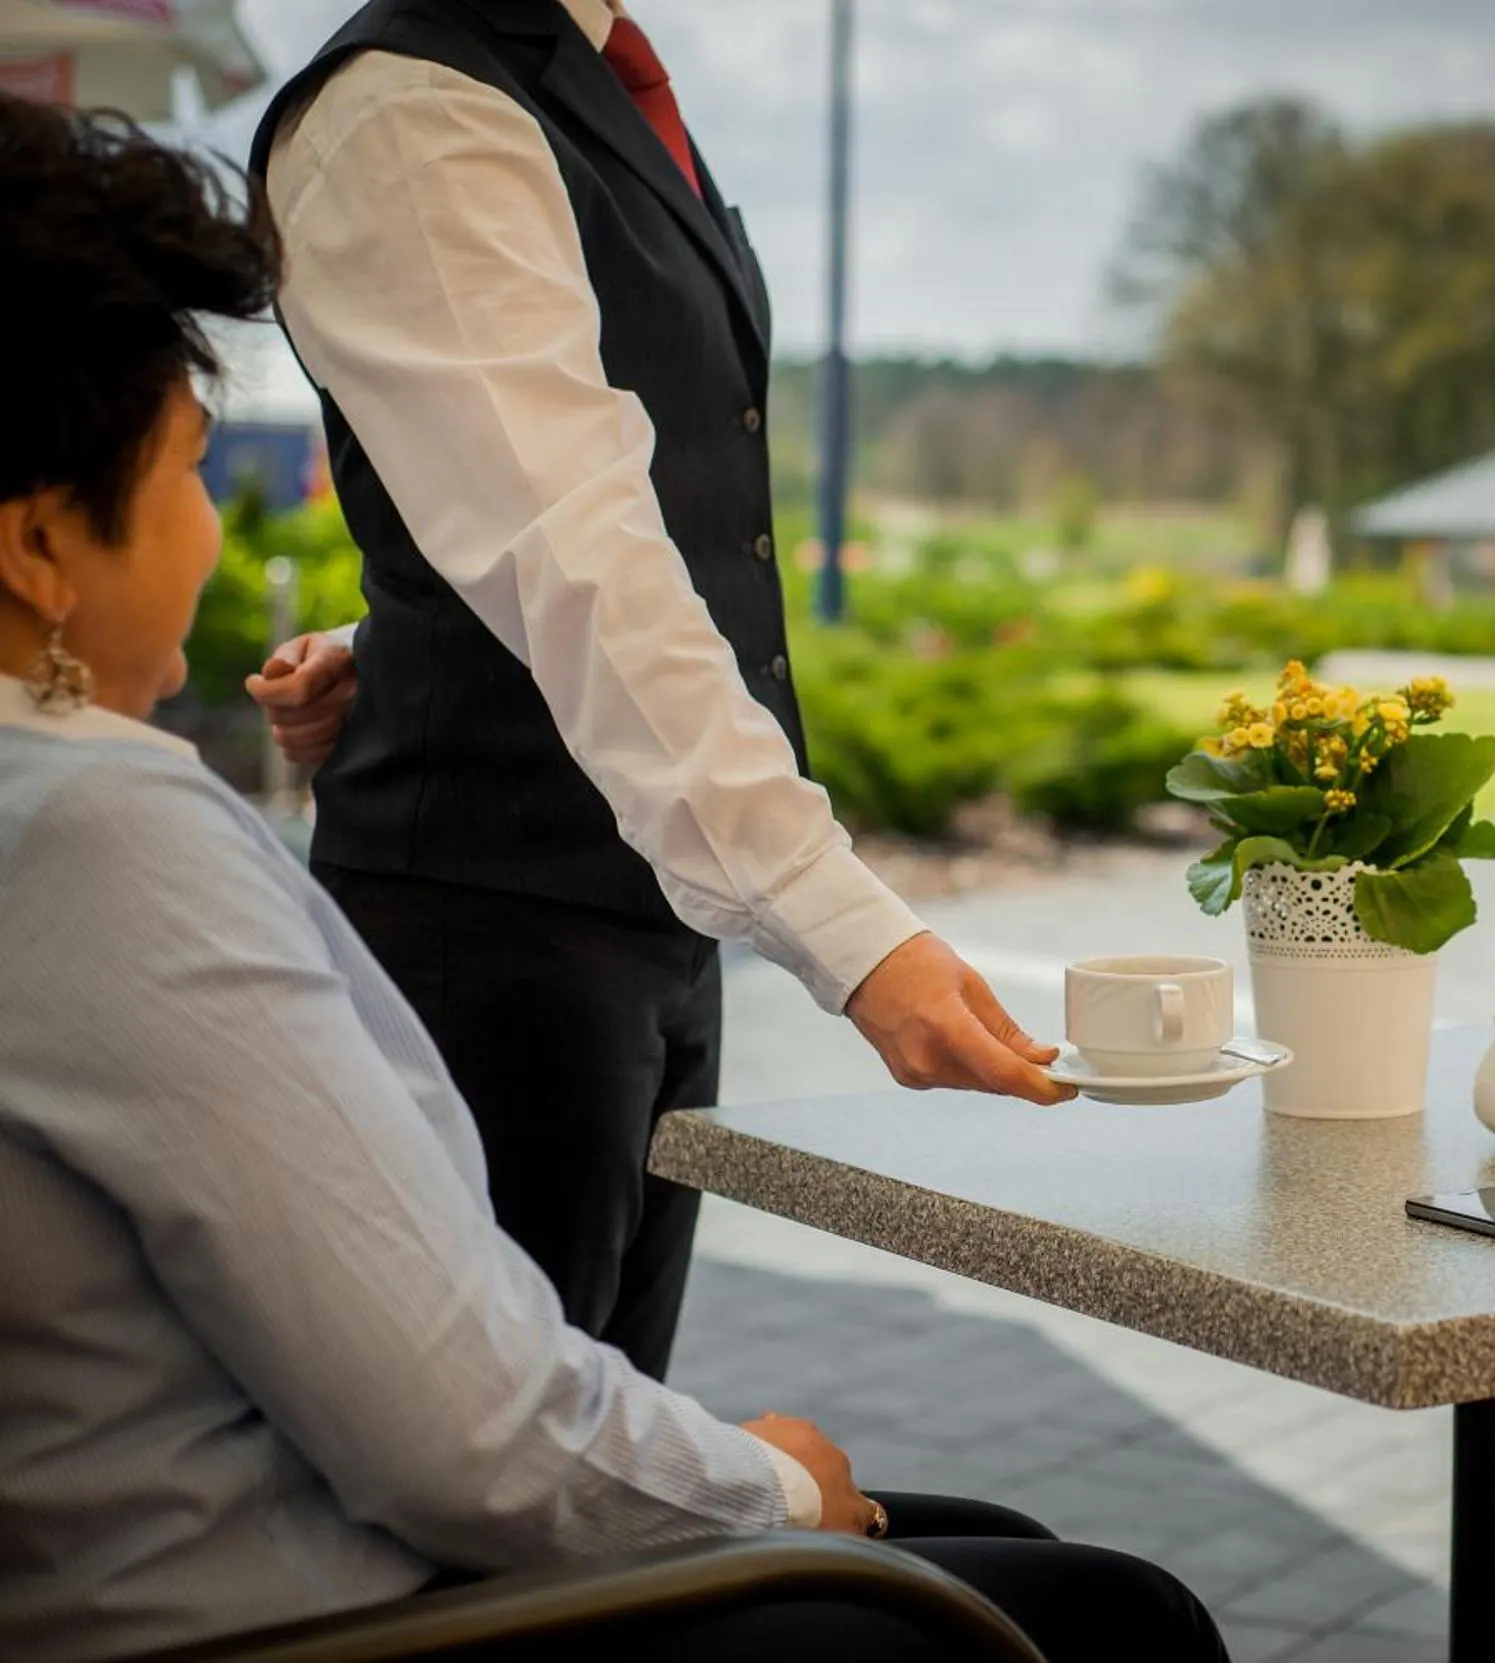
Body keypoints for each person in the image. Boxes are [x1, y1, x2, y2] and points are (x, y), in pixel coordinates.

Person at [0, 93, 1222, 1663]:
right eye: (187, 467)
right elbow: (473, 1435)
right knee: (1111, 1613)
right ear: (41, 546)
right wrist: (777, 1482)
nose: (203, 526)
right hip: (322, 1606)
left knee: (1007, 1554)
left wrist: (397, 649)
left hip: (238, 1547)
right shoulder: (98, 838)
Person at [237, 0, 1070, 1383]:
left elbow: (530, 500)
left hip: (652, 922)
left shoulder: (595, 80)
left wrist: (386, 642)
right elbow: (571, 555)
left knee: (615, 1443)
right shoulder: (410, 105)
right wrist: (850, 933)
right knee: (504, 1465)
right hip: (489, 934)